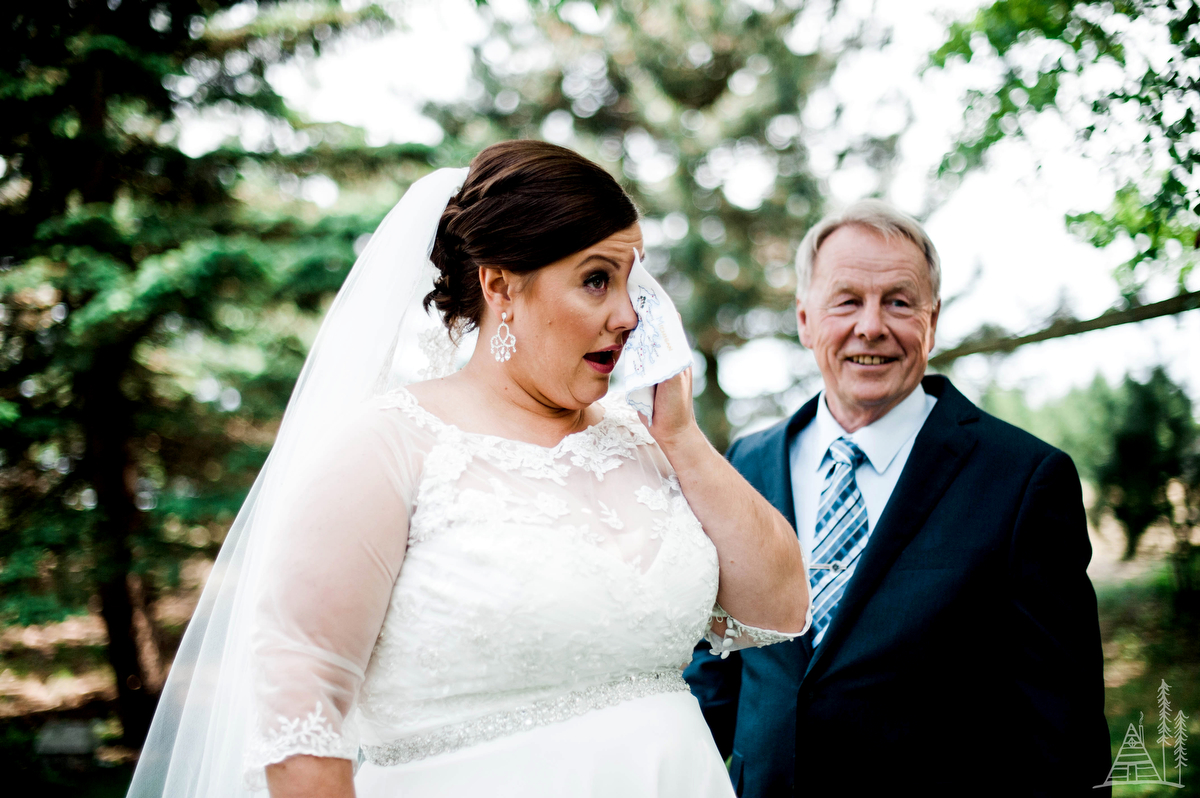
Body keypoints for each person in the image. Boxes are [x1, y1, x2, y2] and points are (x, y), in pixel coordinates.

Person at [125, 140, 810, 798]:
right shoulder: (389, 444)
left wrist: (683, 439)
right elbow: (301, 704)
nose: (630, 314)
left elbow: (781, 608)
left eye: (633, 280)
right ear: (500, 286)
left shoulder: (646, 441)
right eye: (597, 280)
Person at [683, 200, 1112, 797]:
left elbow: (1063, 725)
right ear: (806, 320)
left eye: (899, 302)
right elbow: (718, 666)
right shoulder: (746, 466)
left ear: (932, 321)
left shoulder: (1023, 479)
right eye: (847, 300)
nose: (872, 326)